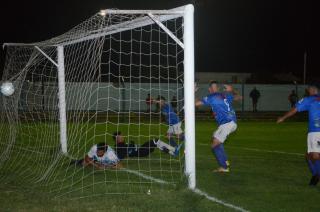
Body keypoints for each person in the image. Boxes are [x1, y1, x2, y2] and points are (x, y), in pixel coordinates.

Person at [277, 84, 320, 186]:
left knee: (314, 156)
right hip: (315, 131)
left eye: (308, 89)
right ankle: (316, 175)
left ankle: (317, 175)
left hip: (316, 131)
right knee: (310, 156)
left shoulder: (309, 99)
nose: (307, 90)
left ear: (313, 89)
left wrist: (283, 118)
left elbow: (295, 109)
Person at [195, 81, 242, 172]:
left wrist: (193, 92)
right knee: (215, 140)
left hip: (227, 123)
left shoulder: (211, 97)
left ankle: (224, 166)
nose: (213, 89)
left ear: (210, 89)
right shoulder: (224, 95)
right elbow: (239, 97)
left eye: (213, 87)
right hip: (229, 123)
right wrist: (233, 90)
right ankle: (224, 165)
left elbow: (195, 104)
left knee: (215, 144)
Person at [112, 131, 181, 158]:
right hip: (140, 152)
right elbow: (120, 156)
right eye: (121, 136)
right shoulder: (119, 146)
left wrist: (131, 145)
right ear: (117, 138)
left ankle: (173, 153)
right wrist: (130, 151)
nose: (123, 136)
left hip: (141, 149)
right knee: (155, 141)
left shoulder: (122, 144)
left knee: (156, 143)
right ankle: (174, 149)